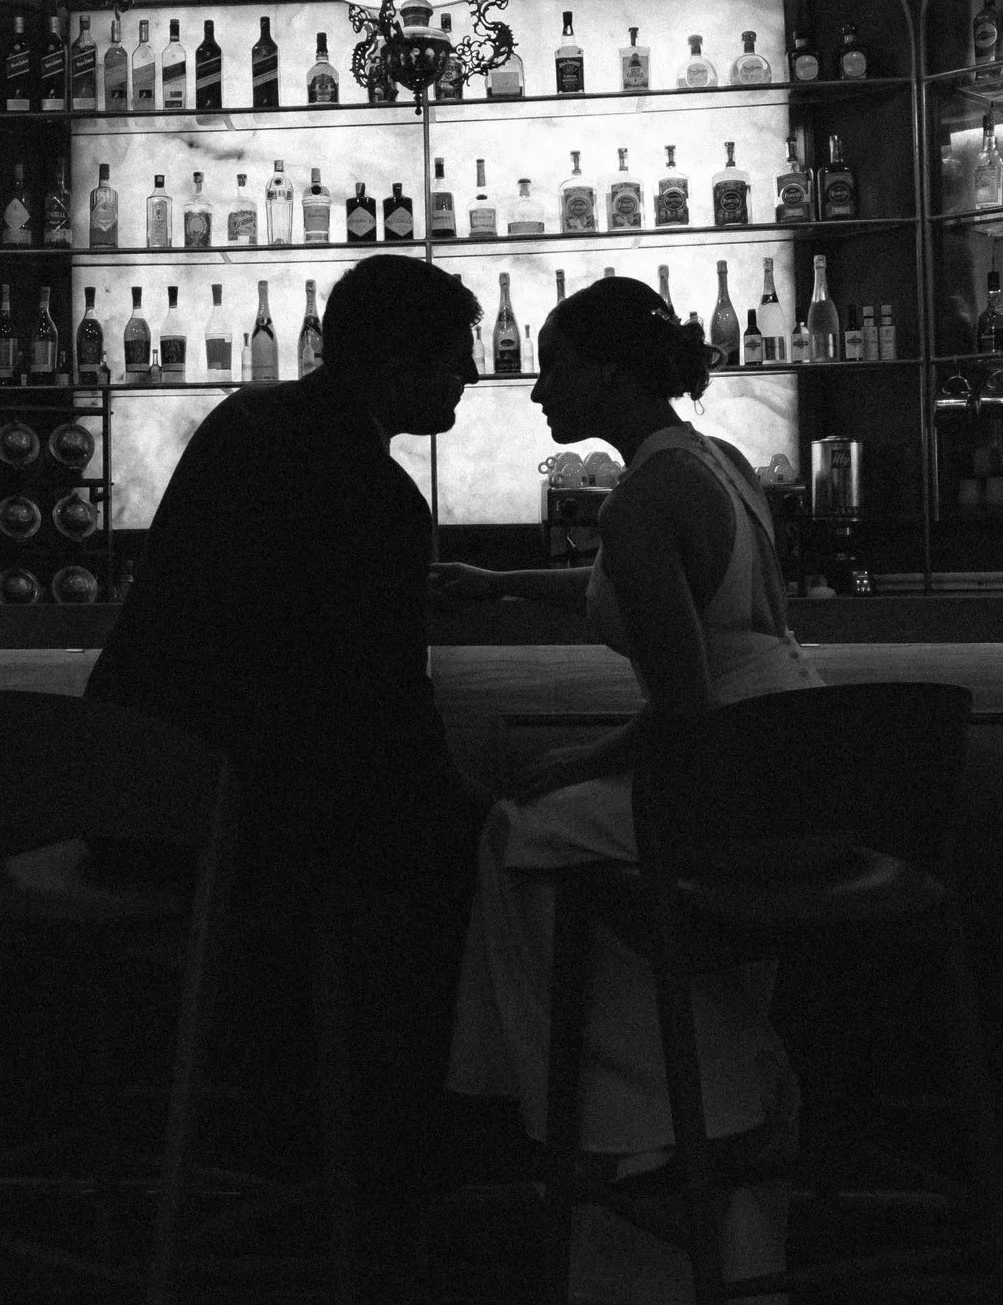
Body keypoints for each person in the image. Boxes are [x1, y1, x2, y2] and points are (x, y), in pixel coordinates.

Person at [84, 254, 487, 1278]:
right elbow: (381, 716)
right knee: (476, 867)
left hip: (131, 805)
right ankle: (406, 1175)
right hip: (251, 837)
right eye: (456, 357)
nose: (471, 376)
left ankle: (291, 1149)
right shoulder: (381, 498)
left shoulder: (241, 421)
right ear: (399, 366)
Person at [434, 276, 821, 1304]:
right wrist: (506, 581)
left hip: (725, 775)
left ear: (604, 372)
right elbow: (654, 584)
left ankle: (575, 1114)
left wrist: (572, 760)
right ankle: (691, 1096)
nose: (534, 389)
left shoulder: (646, 496)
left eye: (551, 363)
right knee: (556, 842)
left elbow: (681, 711)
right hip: (800, 761)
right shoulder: (714, 464)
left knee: (516, 828)